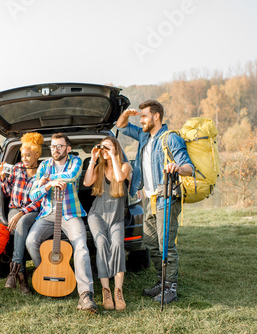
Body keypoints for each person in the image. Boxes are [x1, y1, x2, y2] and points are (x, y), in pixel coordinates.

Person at [116, 100, 194, 304]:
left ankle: (171, 288)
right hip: (149, 199)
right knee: (151, 243)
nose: (141, 120)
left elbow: (189, 168)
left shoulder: (171, 139)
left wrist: (177, 167)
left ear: (156, 116)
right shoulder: (144, 136)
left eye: (144, 116)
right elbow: (121, 126)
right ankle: (162, 282)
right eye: (140, 116)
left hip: (166, 197)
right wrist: (127, 113)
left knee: (166, 245)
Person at [26, 133, 97, 312]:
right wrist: (48, 185)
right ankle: (47, 273)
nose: (55, 149)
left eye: (59, 146)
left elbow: (72, 176)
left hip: (70, 213)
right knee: (31, 241)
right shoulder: (44, 165)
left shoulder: (75, 161)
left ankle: (85, 295)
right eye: (52, 146)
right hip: (48, 213)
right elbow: (33, 195)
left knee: (81, 247)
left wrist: (47, 180)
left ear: (68, 148)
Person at [82, 136, 131, 311]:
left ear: (116, 149)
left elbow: (119, 178)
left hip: (116, 217)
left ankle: (118, 290)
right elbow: (87, 182)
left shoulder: (125, 166)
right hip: (97, 215)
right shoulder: (98, 168)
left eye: (108, 148)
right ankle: (106, 290)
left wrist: (113, 157)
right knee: (101, 243)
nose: (104, 151)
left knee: (117, 245)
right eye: (103, 148)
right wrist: (93, 160)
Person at [0, 132, 44, 295]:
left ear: (37, 155)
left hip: (32, 211)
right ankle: (22, 279)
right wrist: (3, 177)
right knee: (19, 223)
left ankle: (15, 271)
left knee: (22, 222)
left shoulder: (42, 172)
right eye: (23, 155)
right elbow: (8, 191)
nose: (24, 158)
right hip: (14, 208)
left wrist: (21, 213)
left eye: (28, 155)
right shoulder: (17, 168)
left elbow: (38, 201)